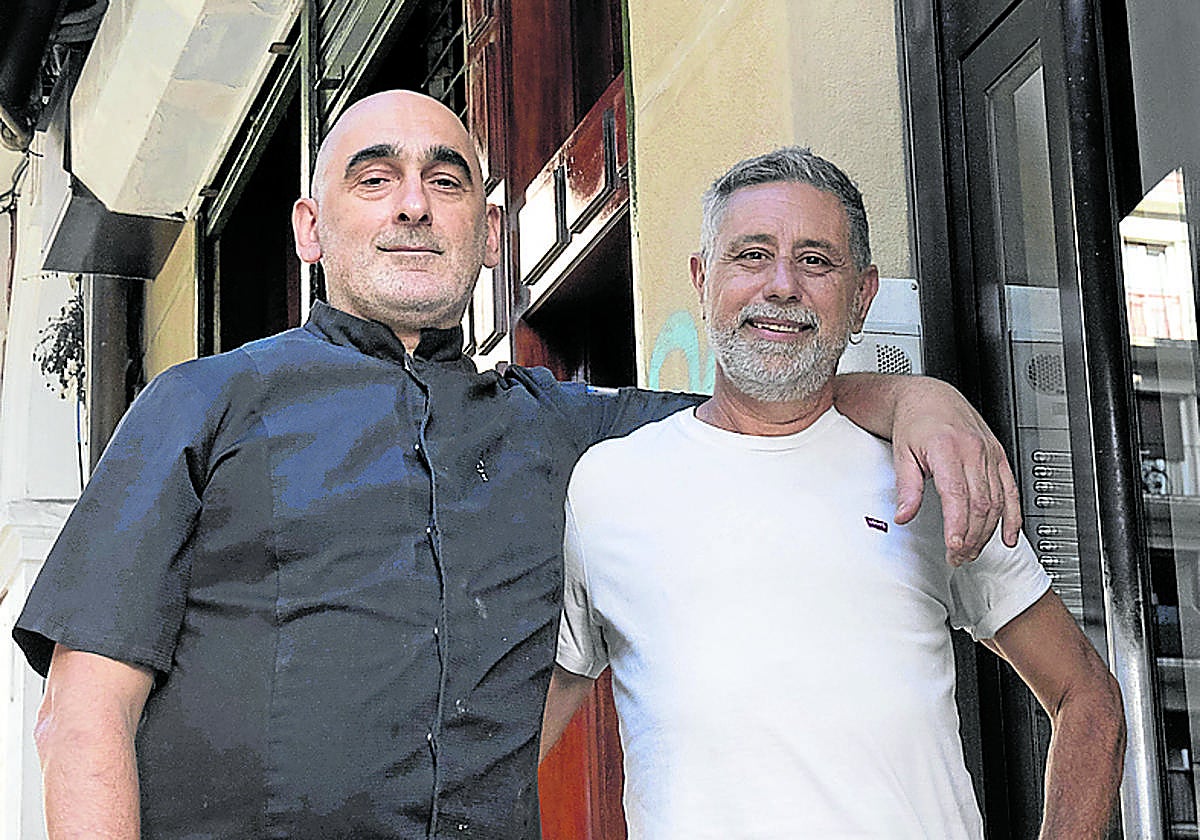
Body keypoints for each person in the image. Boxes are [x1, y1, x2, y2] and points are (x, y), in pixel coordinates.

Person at [14, 93, 1020, 839]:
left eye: (446, 179)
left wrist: (914, 396)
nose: (414, 204)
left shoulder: (570, 434)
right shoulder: (202, 403)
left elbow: (767, 398)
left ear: (487, 234)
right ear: (311, 231)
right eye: (375, 178)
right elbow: (84, 714)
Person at [541, 147, 1126, 839]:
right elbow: (513, 742)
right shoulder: (609, 486)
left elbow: (1087, 697)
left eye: (815, 260)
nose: (782, 284)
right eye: (751, 255)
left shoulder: (928, 473)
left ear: (862, 297)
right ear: (702, 281)